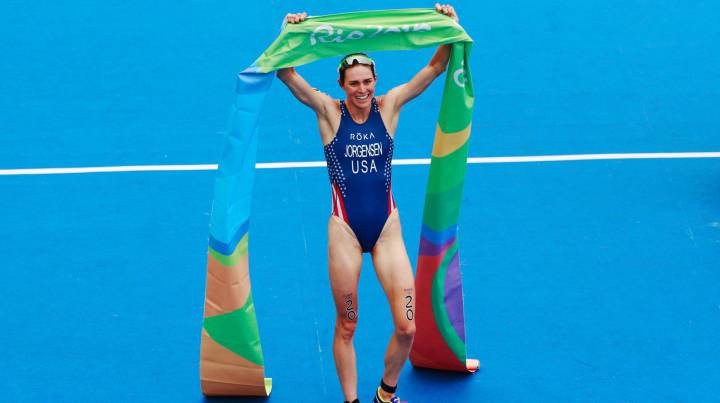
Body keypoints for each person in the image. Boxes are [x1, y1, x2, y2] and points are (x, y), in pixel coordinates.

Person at [278, 4, 459, 403]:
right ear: (341, 85)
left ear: (376, 80)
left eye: (367, 81)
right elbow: (286, 73)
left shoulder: (389, 106)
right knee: (347, 325)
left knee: (408, 327)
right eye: (353, 83)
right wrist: (289, 32)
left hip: (386, 229)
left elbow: (434, 68)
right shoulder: (329, 112)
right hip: (344, 230)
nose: (361, 90)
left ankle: (385, 394)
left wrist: (449, 26)